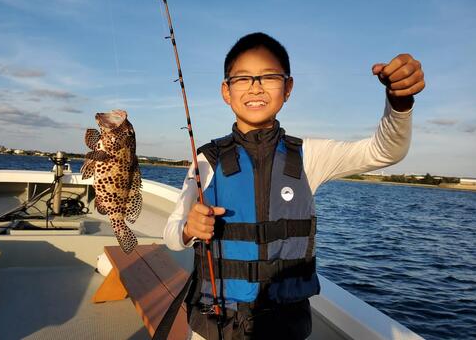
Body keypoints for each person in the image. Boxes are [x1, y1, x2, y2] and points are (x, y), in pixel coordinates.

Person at [163, 32, 425, 340]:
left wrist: (399, 103)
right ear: (226, 91)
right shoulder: (207, 158)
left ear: (288, 88)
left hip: (284, 327)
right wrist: (187, 228)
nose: (255, 87)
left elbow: (384, 151)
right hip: (214, 327)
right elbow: (171, 234)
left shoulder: (309, 155)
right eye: (242, 78)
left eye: (269, 77)